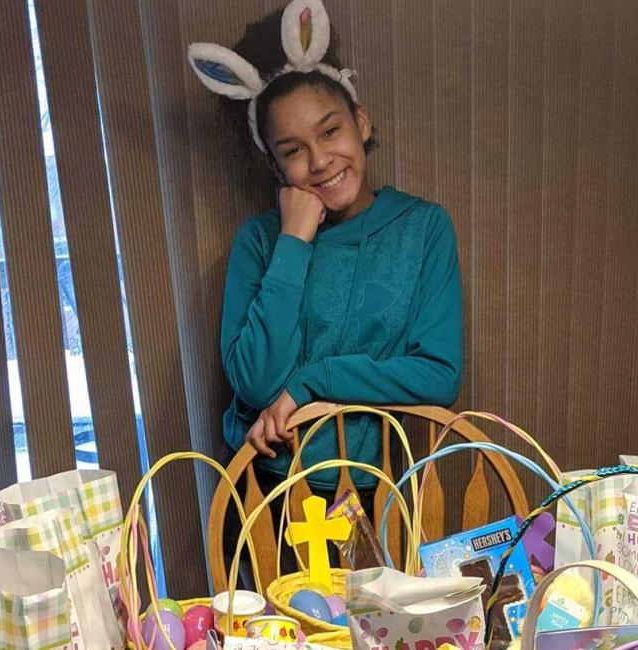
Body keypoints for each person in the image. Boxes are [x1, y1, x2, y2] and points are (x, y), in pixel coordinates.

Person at [187, 0, 463, 564]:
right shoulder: (261, 242)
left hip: (379, 491)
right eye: (293, 151)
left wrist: (315, 381)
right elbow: (259, 386)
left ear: (359, 122)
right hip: (269, 494)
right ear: (274, 166)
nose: (319, 161)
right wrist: (295, 240)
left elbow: (438, 376)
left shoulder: (423, 227)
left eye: (330, 131)